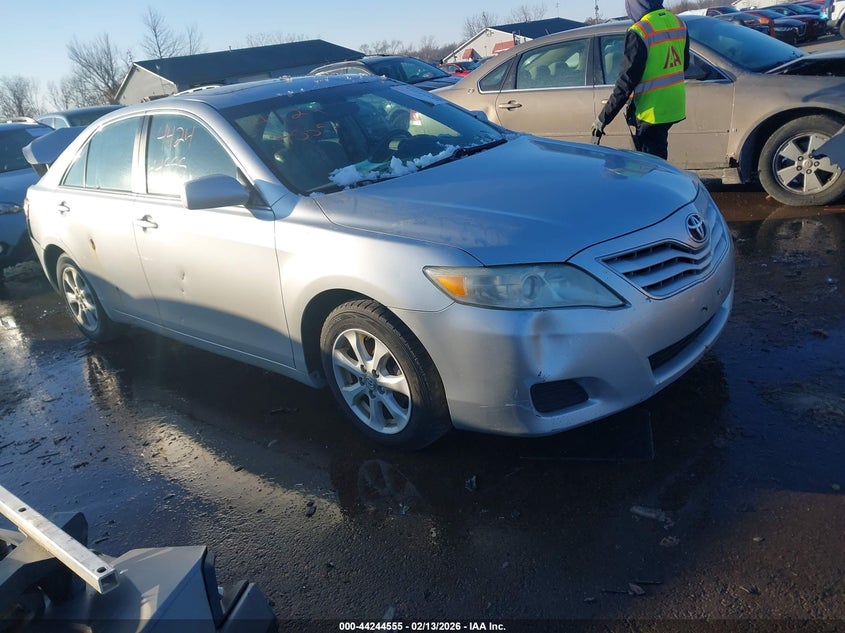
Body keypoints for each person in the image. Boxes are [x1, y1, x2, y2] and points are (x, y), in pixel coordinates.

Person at [590, 0, 690, 160]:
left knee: (651, 167)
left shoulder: (640, 31)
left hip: (651, 112)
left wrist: (603, 118)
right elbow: (684, 64)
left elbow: (626, 82)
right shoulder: (678, 22)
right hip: (673, 106)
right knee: (659, 160)